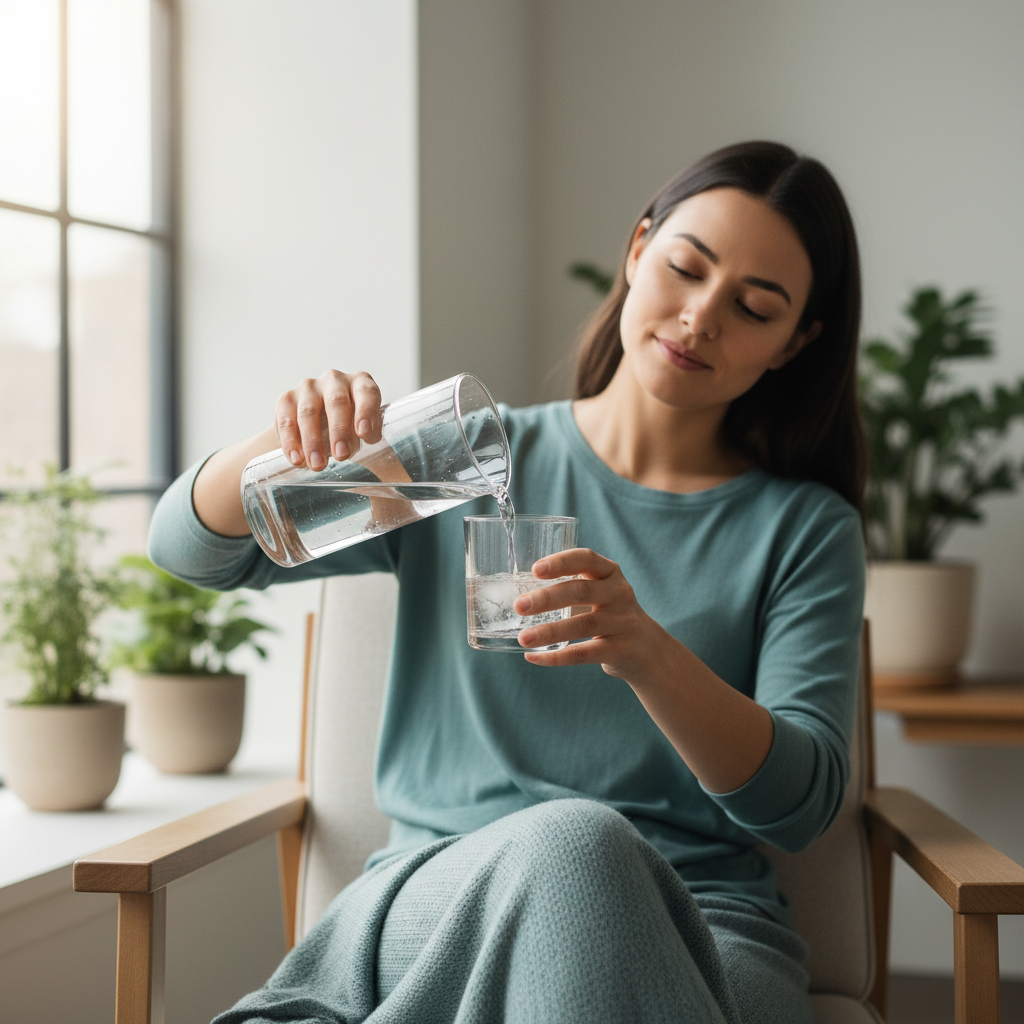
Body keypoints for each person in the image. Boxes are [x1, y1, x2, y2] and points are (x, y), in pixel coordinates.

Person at [149, 140, 867, 1024]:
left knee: (584, 851)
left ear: (795, 343)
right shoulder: (462, 459)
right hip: (443, 891)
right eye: (685, 267)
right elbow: (194, 554)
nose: (700, 317)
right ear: (638, 251)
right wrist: (279, 446)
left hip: (704, 926)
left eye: (754, 307)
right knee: (576, 844)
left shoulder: (801, 530)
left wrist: (647, 652)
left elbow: (800, 806)